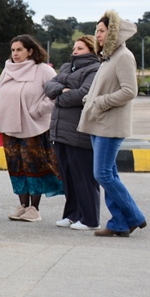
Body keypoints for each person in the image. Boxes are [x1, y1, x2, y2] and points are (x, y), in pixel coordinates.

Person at [78, 10, 147, 238]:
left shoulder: (124, 56)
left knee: (103, 174)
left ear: (113, 32)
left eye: (102, 30)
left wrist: (99, 102)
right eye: (96, 30)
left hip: (111, 124)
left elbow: (129, 91)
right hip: (99, 122)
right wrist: (91, 100)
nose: (97, 35)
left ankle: (134, 216)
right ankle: (118, 223)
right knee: (110, 174)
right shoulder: (109, 56)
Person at [0, 35, 61, 222]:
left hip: (34, 128)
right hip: (9, 128)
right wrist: (0, 111)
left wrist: (38, 111)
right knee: (16, 167)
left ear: (30, 51)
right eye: (13, 50)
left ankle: (35, 208)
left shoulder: (43, 70)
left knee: (34, 167)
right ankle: (22, 205)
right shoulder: (8, 70)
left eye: (19, 49)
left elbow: (54, 94)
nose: (15, 53)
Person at [44, 36, 101, 230]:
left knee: (83, 176)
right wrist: (63, 91)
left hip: (79, 131)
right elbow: (49, 86)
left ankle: (90, 218)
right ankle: (71, 214)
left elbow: (83, 94)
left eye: (80, 48)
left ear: (91, 50)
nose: (75, 51)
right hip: (60, 131)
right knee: (67, 176)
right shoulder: (67, 67)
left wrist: (59, 95)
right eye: (74, 47)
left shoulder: (95, 69)